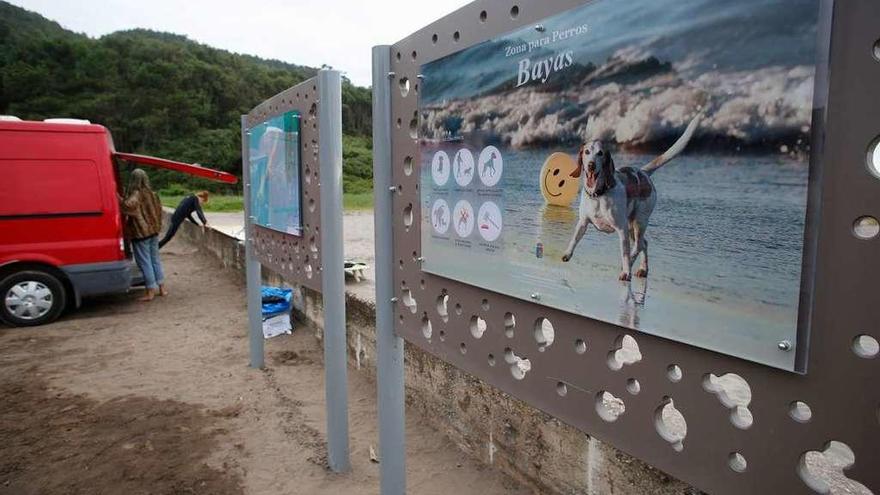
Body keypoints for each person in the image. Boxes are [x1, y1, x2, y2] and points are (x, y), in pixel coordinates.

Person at [120, 169, 166, 301]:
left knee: (145, 262)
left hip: (141, 233)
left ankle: (150, 291)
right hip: (153, 231)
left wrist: (119, 198)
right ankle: (162, 288)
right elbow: (159, 211)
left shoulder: (136, 194)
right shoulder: (153, 194)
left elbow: (128, 207)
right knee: (155, 260)